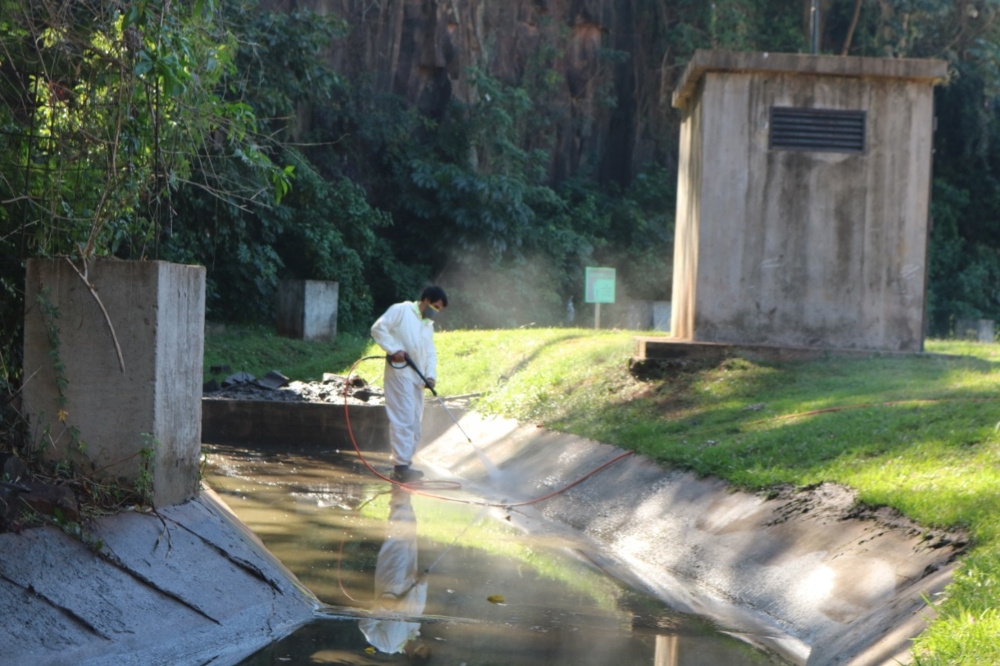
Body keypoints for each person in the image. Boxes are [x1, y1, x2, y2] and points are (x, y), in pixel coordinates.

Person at [370, 285, 448, 483]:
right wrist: (394, 349)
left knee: (414, 420)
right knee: (403, 418)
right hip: (400, 373)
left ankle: (406, 464)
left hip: (417, 377)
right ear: (426, 299)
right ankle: (400, 466)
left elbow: (430, 352)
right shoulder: (401, 310)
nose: (436, 312)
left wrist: (430, 376)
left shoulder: (427, 325)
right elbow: (378, 329)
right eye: (436, 306)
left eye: (439, 309)